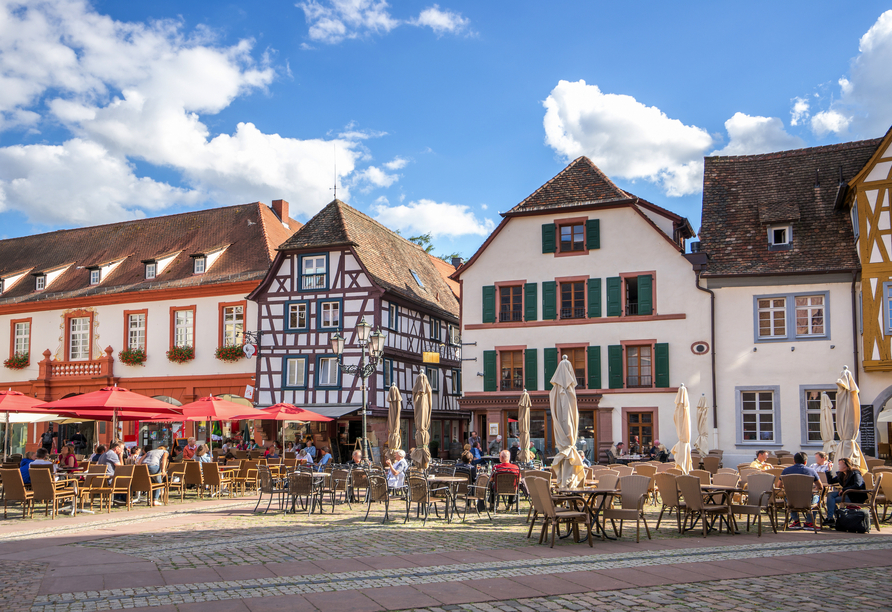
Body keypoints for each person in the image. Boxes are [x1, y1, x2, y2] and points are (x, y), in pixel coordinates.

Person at [780, 452, 821, 530]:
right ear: (805, 462)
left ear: (794, 461)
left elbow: (779, 485)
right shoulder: (811, 471)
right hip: (807, 500)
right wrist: (814, 489)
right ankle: (809, 522)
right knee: (816, 497)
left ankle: (796, 521)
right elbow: (820, 486)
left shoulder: (786, 471)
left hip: (792, 500)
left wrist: (789, 488)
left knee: (788, 497)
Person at [825, 457, 867, 527]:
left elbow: (858, 485)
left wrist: (844, 490)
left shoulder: (855, 473)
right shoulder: (841, 474)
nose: (839, 466)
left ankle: (835, 518)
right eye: (839, 464)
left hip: (855, 496)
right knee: (830, 496)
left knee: (831, 500)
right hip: (847, 494)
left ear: (847, 465)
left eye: (841, 465)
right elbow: (831, 482)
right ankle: (831, 518)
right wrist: (829, 470)